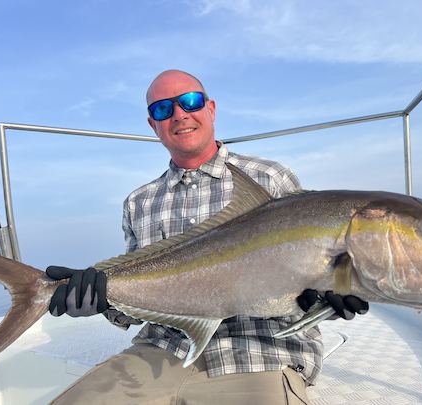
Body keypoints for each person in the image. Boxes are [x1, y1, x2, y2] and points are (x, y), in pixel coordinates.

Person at [46, 70, 369, 404]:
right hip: (163, 348)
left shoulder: (269, 178)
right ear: (152, 124)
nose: (179, 114)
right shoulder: (139, 201)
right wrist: (101, 300)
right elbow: (137, 300)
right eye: (162, 109)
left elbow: (307, 272)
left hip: (261, 349)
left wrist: (329, 292)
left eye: (190, 101)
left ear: (210, 109)